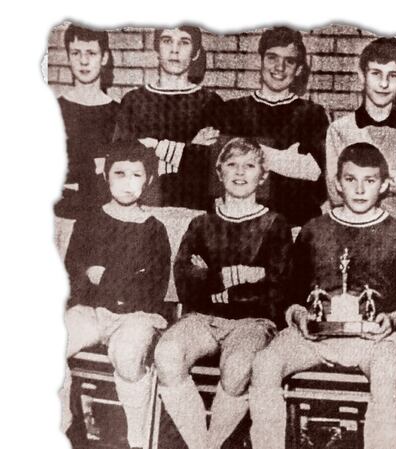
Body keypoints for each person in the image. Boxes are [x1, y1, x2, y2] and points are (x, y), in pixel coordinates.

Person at [249, 143, 396, 449]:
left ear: (385, 185)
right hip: (316, 338)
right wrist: (299, 315)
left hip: (373, 339)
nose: (360, 189)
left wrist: (392, 318)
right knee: (265, 364)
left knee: (388, 370)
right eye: (351, 180)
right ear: (337, 183)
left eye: (370, 180)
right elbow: (292, 290)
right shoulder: (314, 229)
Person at [153, 138, 292, 449]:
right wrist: (240, 275)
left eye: (249, 165)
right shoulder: (201, 224)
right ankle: (201, 445)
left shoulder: (275, 224)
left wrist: (211, 277)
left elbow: (277, 288)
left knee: (238, 368)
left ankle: (212, 444)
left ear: (263, 174)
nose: (240, 172)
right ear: (219, 172)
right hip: (202, 317)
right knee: (167, 355)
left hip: (253, 322)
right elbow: (187, 282)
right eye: (231, 164)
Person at [63, 141, 171, 449]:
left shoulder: (154, 229)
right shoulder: (89, 220)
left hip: (136, 316)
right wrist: (121, 278)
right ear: (106, 177)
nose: (127, 182)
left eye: (136, 175)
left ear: (149, 179)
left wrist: (105, 276)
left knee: (127, 357)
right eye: (119, 173)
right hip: (91, 311)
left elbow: (150, 289)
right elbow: (76, 275)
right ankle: (61, 428)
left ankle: (138, 438)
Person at [217, 26, 329, 228]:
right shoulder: (232, 110)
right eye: (272, 57)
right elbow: (220, 172)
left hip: (295, 225)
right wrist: (287, 160)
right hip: (243, 225)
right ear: (260, 61)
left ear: (299, 70)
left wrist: (249, 151)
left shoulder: (312, 114)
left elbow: (314, 172)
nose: (280, 67)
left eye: (290, 61)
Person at [325, 37, 396, 227]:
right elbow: (335, 192)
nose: (384, 84)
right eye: (376, 73)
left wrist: (360, 176)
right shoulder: (339, 129)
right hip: (352, 228)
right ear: (362, 75)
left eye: (393, 76)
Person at [114, 25, 222, 210]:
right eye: (167, 41)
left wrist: (155, 147)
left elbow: (212, 173)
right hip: (141, 211)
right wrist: (189, 151)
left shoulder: (211, 103)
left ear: (195, 53)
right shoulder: (134, 100)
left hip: (195, 212)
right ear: (156, 48)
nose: (174, 49)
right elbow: (121, 164)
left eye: (184, 42)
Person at [55, 24, 119, 218]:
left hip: (104, 216)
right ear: (67, 57)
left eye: (91, 53)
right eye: (76, 53)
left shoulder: (119, 112)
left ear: (104, 58)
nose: (83, 61)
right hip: (60, 214)